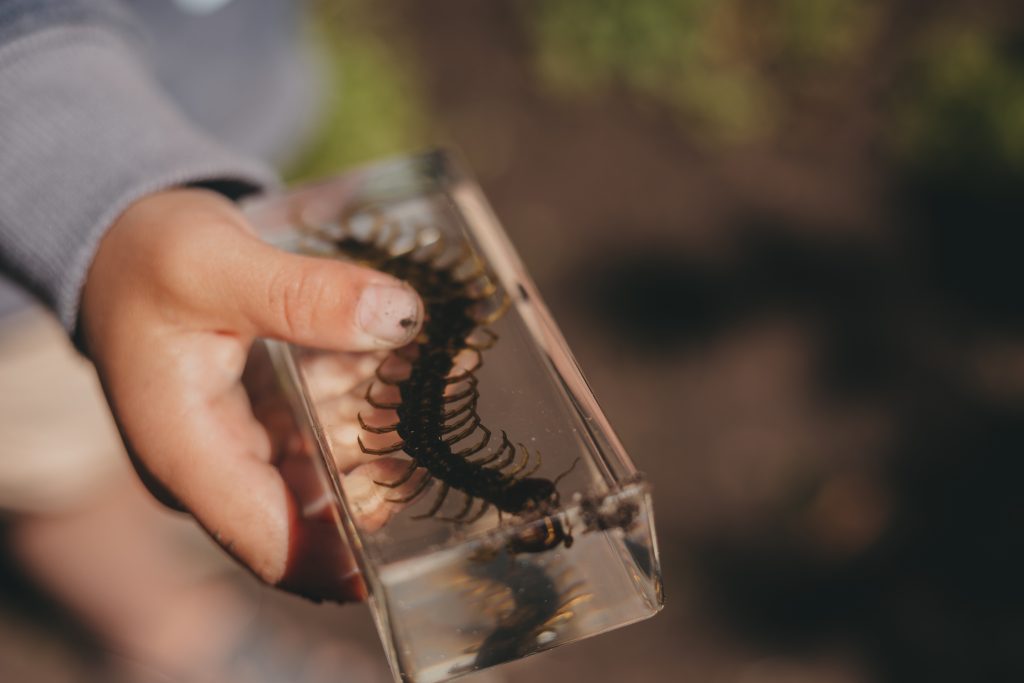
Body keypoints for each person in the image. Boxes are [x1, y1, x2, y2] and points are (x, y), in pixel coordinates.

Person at [0, 1, 420, 679]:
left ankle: (178, 509)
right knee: (61, 478)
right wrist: (98, 192)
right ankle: (165, 634)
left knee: (186, 407)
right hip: (18, 284)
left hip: (219, 125)